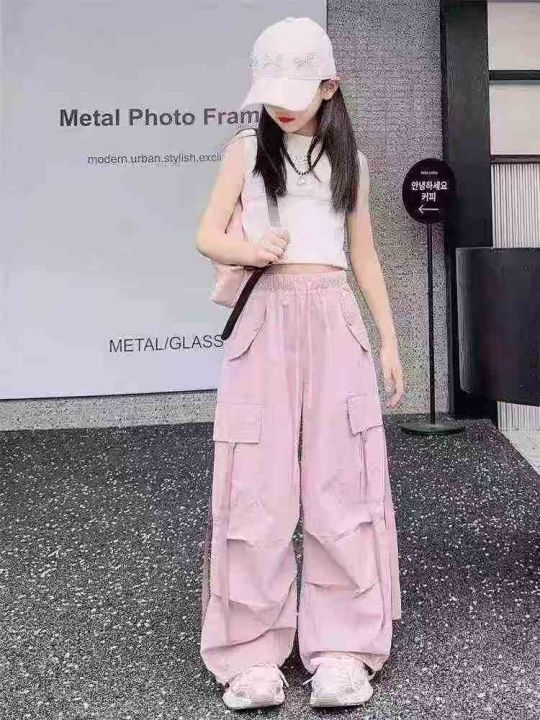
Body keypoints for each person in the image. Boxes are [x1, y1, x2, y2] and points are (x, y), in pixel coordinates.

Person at [196, 15, 404, 711]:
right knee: (255, 486)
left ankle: (343, 648)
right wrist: (246, 249)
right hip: (265, 320)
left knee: (342, 483)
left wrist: (390, 340)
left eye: (296, 91)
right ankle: (250, 655)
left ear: (329, 86)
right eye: (272, 93)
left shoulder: (352, 163)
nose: (282, 106)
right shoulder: (244, 151)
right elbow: (207, 234)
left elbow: (364, 256)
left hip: (334, 319)